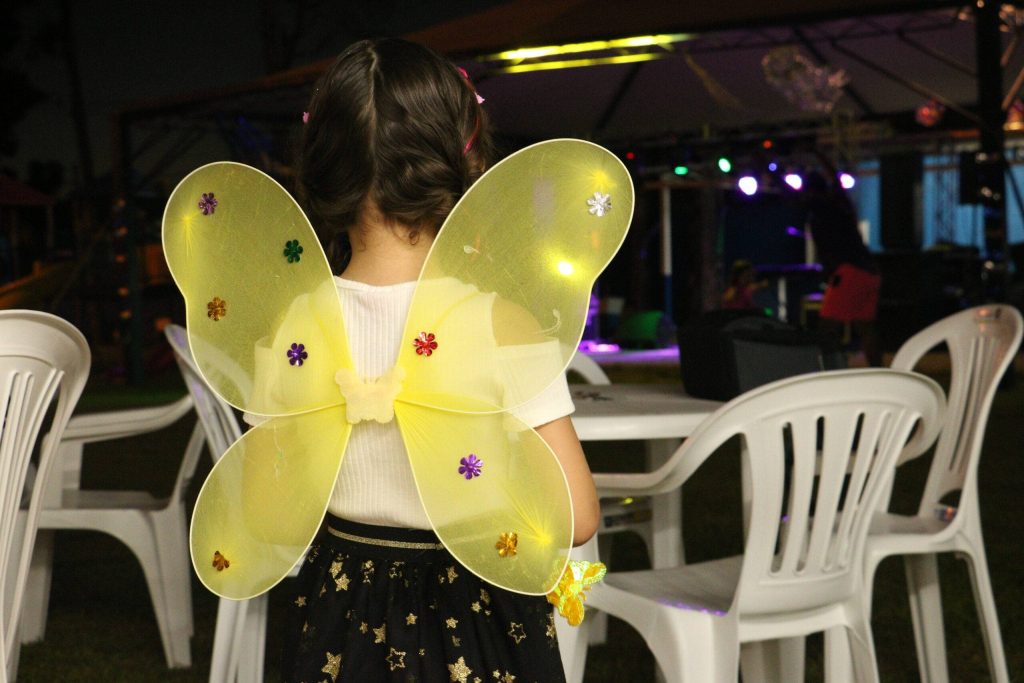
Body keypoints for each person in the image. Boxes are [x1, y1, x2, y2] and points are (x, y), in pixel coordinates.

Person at [279, 38, 599, 682]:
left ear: (323, 168)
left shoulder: (299, 322)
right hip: (476, 612)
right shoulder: (498, 322)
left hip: (341, 610)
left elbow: (281, 498)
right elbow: (578, 515)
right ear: (465, 160)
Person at [803, 168, 883, 367]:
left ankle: (830, 369)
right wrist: (820, 157)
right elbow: (835, 179)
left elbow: (792, 196)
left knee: (827, 326)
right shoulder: (841, 203)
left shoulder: (821, 207)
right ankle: (878, 370)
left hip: (850, 271)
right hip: (870, 272)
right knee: (866, 327)